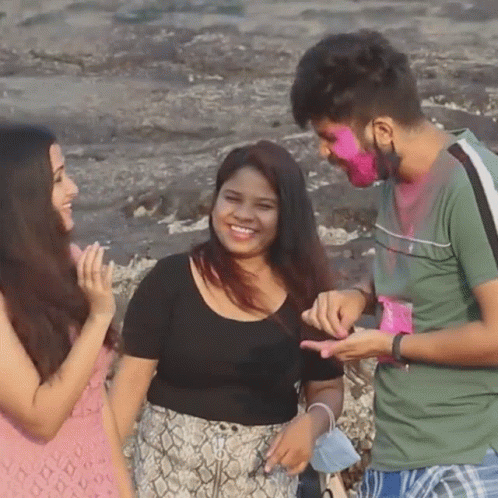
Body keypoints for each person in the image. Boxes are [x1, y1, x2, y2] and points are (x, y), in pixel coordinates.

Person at [290, 29, 498, 496]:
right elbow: (429, 268)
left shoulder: (470, 185)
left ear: (381, 130)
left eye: (330, 138)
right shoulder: (393, 175)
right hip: (397, 453)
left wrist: (388, 345)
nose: (323, 153)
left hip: (467, 458)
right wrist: (360, 295)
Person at [109, 140, 344, 498]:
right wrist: (106, 481)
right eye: (232, 198)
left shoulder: (307, 297)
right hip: (164, 481)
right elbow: (128, 388)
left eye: (264, 206)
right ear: (215, 201)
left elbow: (327, 388)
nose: (243, 215)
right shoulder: (169, 280)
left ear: (287, 215)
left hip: (263, 484)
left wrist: (313, 424)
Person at [0, 125, 135, 498]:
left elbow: (93, 400)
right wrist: (98, 318)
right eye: (58, 179)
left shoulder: (71, 262)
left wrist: (123, 490)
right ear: (20, 195)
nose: (73, 188)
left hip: (94, 480)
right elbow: (41, 417)